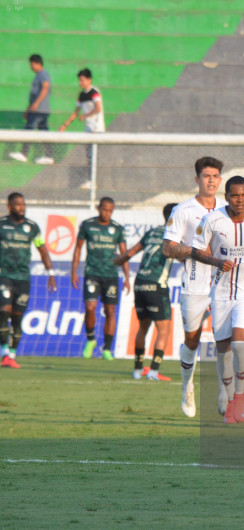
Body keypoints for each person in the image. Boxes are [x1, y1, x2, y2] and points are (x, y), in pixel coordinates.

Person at [191, 176, 244, 424]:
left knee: (240, 344)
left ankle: (239, 396)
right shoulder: (212, 219)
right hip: (220, 291)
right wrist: (217, 261)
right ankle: (226, 393)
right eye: (234, 195)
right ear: (226, 195)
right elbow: (196, 250)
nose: (240, 200)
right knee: (224, 350)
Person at [162, 156, 226, 418]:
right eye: (206, 176)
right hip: (195, 284)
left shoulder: (228, 208)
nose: (211, 181)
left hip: (224, 284)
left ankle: (225, 393)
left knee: (227, 339)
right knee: (192, 340)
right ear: (197, 179)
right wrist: (195, 251)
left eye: (215, 176)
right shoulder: (183, 210)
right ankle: (187, 386)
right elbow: (168, 248)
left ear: (220, 180)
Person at [114, 203, 177, 381]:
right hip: (156, 284)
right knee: (164, 329)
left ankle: (137, 369)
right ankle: (154, 371)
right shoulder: (175, 235)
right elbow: (181, 255)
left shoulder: (152, 232)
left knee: (143, 327)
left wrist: (119, 260)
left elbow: (131, 252)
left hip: (140, 283)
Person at [0, 193, 57, 368]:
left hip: (23, 278)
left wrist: (51, 273)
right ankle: (4, 353)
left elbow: (42, 250)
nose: (22, 208)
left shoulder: (32, 227)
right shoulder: (2, 224)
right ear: (9, 206)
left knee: (17, 317)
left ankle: (12, 354)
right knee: (4, 311)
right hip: (4, 276)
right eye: (17, 205)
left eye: (23, 205)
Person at [71, 197, 130, 360]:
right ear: (98, 208)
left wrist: (126, 277)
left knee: (110, 311)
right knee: (90, 307)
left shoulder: (117, 229)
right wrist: (73, 271)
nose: (107, 213)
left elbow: (124, 254)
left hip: (111, 275)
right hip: (92, 273)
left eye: (110, 211)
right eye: (104, 210)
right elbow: (78, 248)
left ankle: (107, 350)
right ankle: (91, 340)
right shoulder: (87, 225)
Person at [58, 68, 105, 189]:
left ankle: (92, 181)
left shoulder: (94, 92)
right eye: (79, 80)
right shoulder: (81, 95)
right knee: (89, 156)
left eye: (83, 80)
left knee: (93, 156)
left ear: (89, 80)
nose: (80, 83)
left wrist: (86, 115)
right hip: (88, 130)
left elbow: (98, 108)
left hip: (97, 129)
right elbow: (76, 112)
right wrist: (65, 125)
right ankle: (90, 181)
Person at [9, 54, 54, 165]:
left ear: (38, 63)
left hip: (39, 110)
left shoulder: (43, 74)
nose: (31, 67)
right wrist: (27, 109)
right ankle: (49, 155)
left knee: (29, 128)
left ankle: (24, 153)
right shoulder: (38, 75)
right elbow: (34, 95)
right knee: (44, 132)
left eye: (32, 64)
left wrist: (37, 103)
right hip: (39, 110)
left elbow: (46, 87)